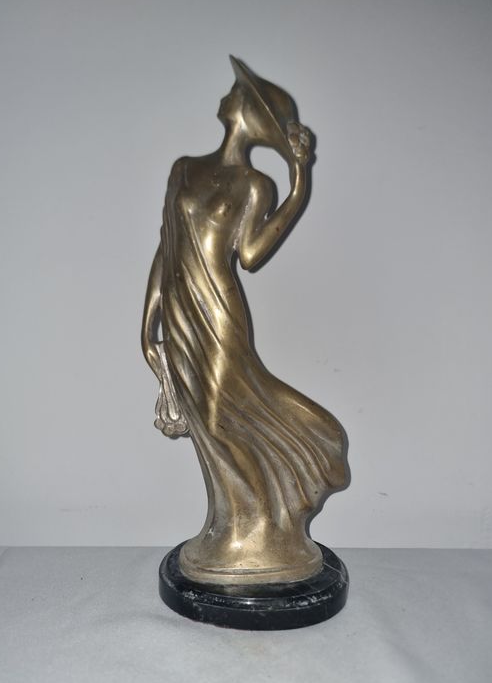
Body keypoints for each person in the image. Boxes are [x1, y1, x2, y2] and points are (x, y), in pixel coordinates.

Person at [142, 57, 348, 585]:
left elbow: (251, 255)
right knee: (203, 421)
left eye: (239, 93)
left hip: (220, 314)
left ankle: (262, 527)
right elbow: (167, 246)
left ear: (249, 116)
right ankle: (229, 526)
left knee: (218, 419)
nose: (229, 95)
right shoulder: (183, 169)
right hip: (181, 309)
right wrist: (148, 323)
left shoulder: (256, 185)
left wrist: (298, 185)